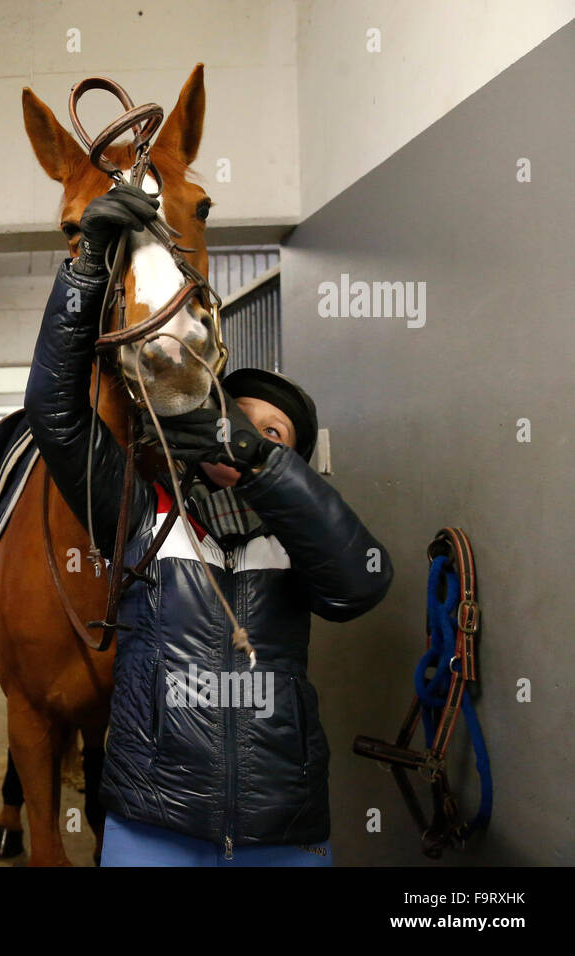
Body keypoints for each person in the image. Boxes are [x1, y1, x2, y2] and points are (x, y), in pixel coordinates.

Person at [24, 183, 394, 866]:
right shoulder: (145, 515)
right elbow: (53, 410)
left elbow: (359, 584)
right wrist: (84, 272)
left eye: (267, 431)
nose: (240, 433)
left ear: (293, 461)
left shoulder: (298, 539)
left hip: (282, 831)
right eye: (232, 416)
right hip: (150, 824)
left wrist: (257, 463)